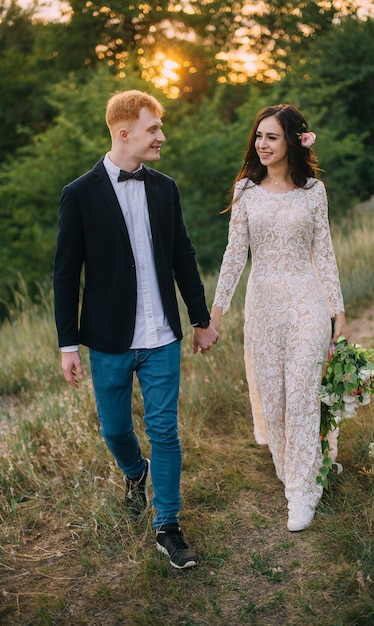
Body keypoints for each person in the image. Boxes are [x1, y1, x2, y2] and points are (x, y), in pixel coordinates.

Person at [53, 89, 219, 569]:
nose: (162, 136)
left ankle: (168, 525)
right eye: (154, 128)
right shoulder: (79, 194)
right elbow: (66, 275)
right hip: (108, 340)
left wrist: (200, 318)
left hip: (162, 335)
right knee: (114, 429)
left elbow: (183, 255)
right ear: (124, 133)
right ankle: (134, 471)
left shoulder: (166, 188)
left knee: (164, 430)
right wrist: (68, 345)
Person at [211, 104, 349, 532]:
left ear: (293, 139)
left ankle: (301, 495)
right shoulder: (245, 192)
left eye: (272, 136)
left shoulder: (315, 192)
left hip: (307, 303)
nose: (263, 144)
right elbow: (235, 256)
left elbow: (323, 253)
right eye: (259, 137)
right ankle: (303, 467)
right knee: (274, 399)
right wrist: (215, 314)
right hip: (264, 307)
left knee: (304, 395)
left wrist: (337, 310)